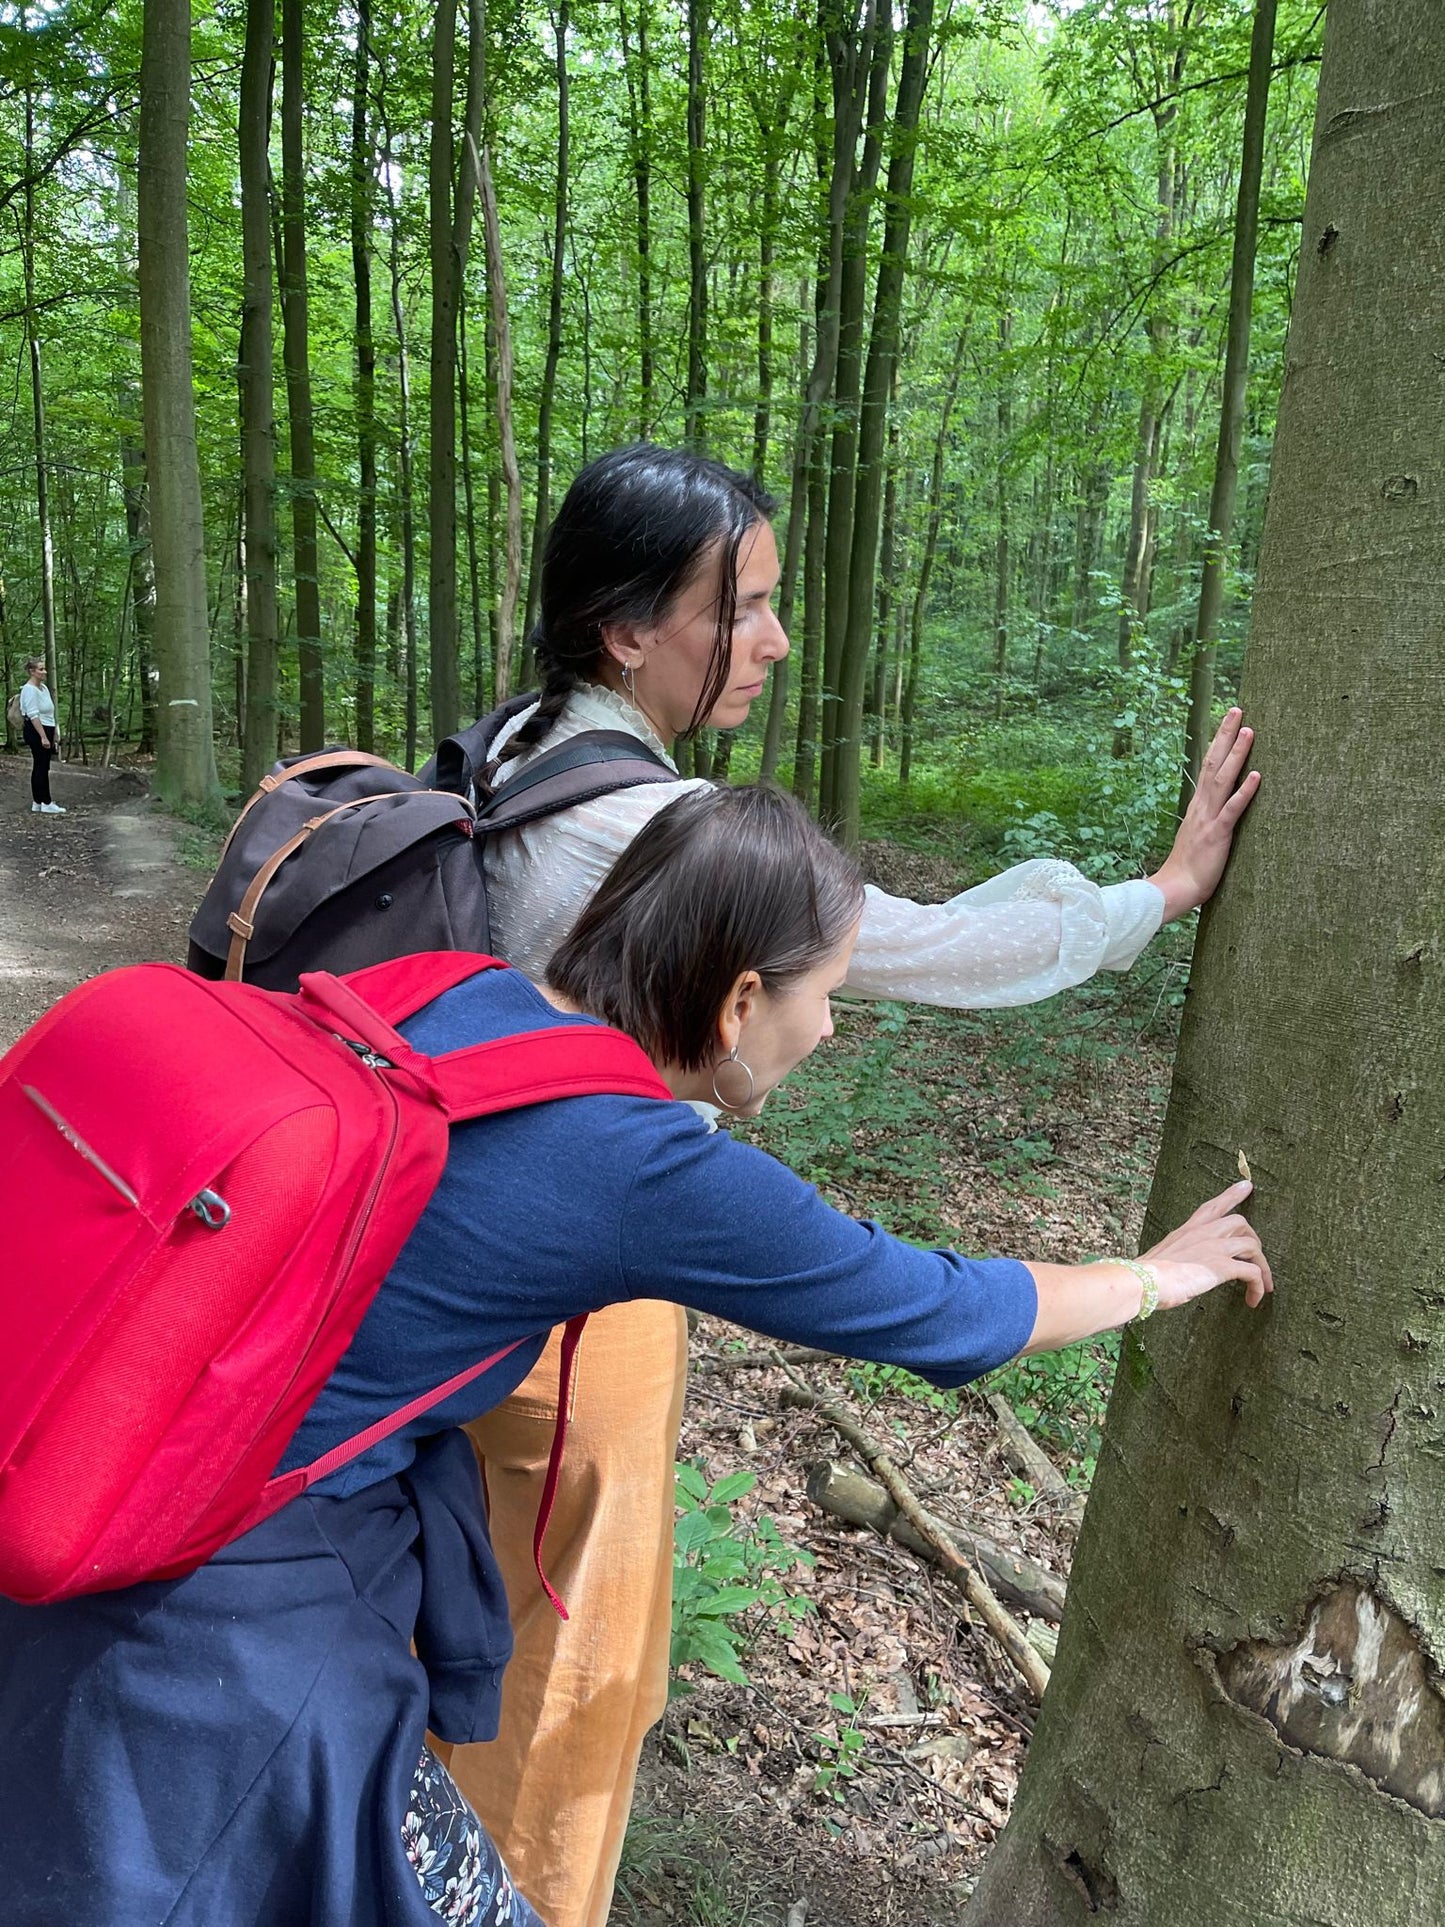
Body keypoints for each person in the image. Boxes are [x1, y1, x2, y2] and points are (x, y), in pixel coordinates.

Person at [0, 785, 1271, 1927]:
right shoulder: (643, 1165)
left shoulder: (451, 987)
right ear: (735, 1003)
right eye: (823, 992)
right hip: (214, 1608)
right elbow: (934, 1308)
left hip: (112, 1449)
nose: (828, 1028)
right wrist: (1160, 1275)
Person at [450, 445, 1261, 1927]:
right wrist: (1158, 896)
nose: (772, 639)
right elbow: (935, 956)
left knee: (485, 1621)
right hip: (580, 1311)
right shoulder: (638, 832)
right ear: (629, 630)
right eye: (741, 606)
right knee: (570, 1674)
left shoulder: (514, 749)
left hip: (476, 1250)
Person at [19, 655, 65, 815]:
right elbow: (33, 715)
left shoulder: (43, 688)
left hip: (47, 728)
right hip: (36, 730)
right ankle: (46, 802)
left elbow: (49, 712)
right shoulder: (29, 689)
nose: (44, 672)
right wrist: (43, 736)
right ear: (32, 671)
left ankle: (38, 802)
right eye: (40, 669)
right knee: (41, 766)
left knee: (42, 766)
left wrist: (54, 732)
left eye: (44, 668)